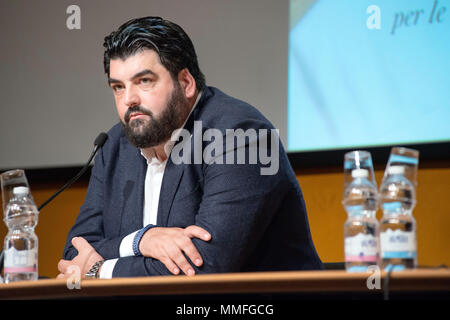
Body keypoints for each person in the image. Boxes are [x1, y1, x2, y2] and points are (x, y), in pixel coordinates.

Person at [57, 16, 322, 279]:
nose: (129, 100)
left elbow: (204, 268)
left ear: (185, 83)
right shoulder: (114, 146)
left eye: (144, 81)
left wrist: (97, 269)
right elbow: (73, 253)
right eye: (118, 87)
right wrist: (140, 240)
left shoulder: (241, 135)